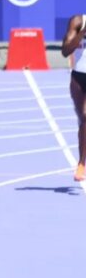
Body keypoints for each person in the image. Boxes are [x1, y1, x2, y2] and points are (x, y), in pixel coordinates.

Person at [62, 14, 86, 181]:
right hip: (79, 78)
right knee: (83, 120)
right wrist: (82, 32)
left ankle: (82, 163)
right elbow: (65, 50)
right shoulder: (78, 22)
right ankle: (82, 163)